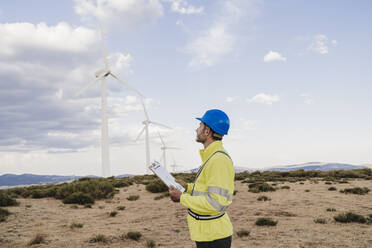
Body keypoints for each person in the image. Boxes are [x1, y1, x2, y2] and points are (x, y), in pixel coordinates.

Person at [169, 109, 234, 248]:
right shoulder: (211, 157)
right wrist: (187, 187)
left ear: (207, 131)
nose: (196, 129)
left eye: (200, 125)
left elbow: (216, 203)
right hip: (208, 233)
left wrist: (182, 198)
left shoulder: (218, 160)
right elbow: (206, 189)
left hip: (214, 238)